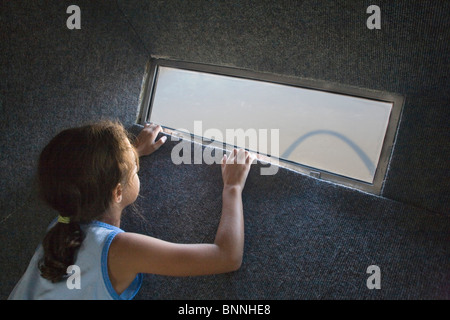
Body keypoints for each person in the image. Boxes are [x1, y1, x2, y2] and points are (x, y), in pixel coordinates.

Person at [8, 120, 254, 300]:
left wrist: (132, 152)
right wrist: (232, 187)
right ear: (117, 192)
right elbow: (227, 257)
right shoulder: (121, 250)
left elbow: (89, 178)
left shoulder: (61, 220)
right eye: (133, 170)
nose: (136, 167)